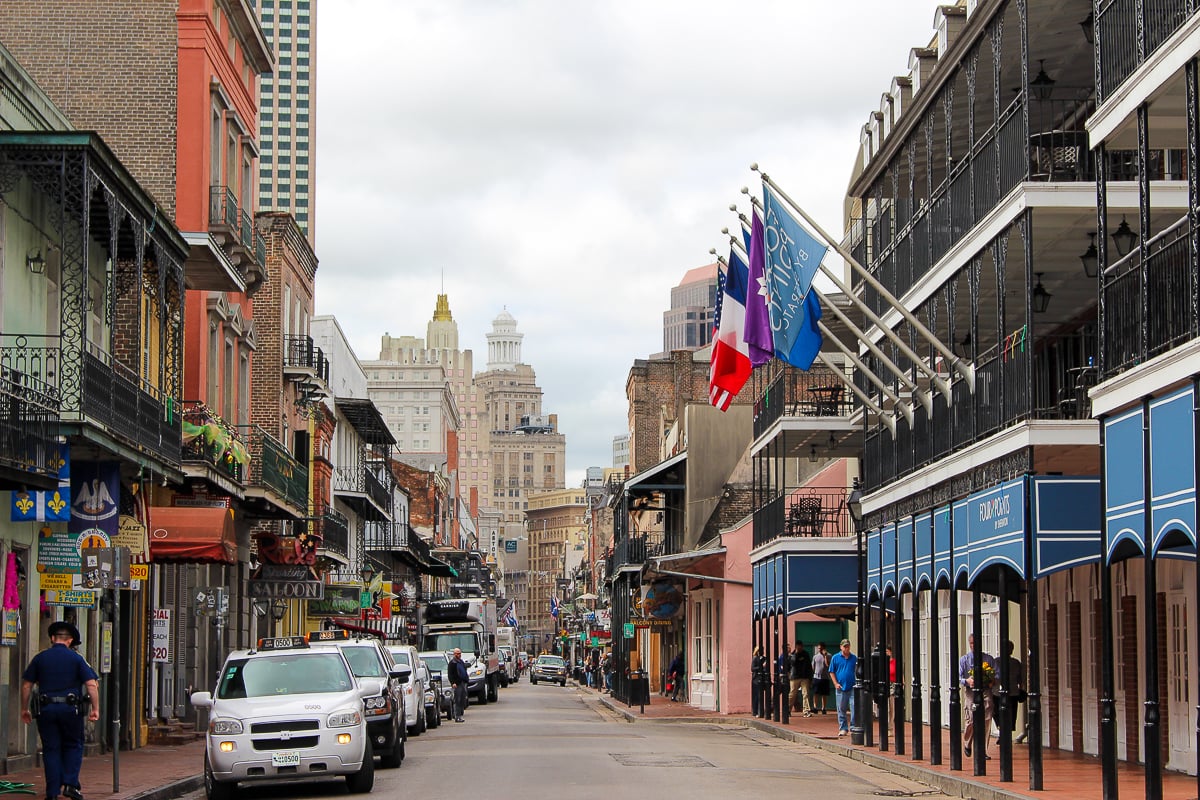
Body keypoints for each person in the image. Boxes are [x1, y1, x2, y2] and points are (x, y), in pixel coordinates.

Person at [20, 621, 100, 800]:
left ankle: (52, 792)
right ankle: (71, 785)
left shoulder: (40, 658)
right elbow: (91, 684)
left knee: (51, 749)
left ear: (52, 638)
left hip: (46, 709)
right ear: (70, 641)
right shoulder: (77, 658)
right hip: (71, 710)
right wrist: (96, 708)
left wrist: (24, 708)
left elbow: (26, 685)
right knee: (73, 745)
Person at [958, 633, 995, 758]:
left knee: (986, 719)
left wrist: (991, 681)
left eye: (976, 643)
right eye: (972, 643)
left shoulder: (988, 659)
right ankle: (967, 743)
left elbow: (997, 674)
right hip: (970, 691)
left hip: (985, 690)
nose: (974, 646)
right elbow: (958, 677)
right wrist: (967, 681)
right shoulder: (964, 660)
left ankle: (982, 750)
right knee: (971, 720)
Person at [996, 639, 1025, 737]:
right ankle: (1003, 731)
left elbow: (1020, 678)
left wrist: (1021, 688)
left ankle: (1004, 732)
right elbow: (1020, 679)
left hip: (1009, 693)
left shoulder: (1016, 663)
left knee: (1007, 715)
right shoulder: (997, 662)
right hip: (1001, 693)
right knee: (1005, 714)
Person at [829, 638, 858, 737]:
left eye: (848, 646)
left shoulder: (854, 658)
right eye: (844, 646)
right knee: (841, 708)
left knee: (854, 706)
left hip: (852, 686)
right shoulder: (835, 658)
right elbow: (831, 671)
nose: (846, 648)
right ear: (841, 647)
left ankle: (853, 726)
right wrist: (835, 683)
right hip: (841, 687)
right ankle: (843, 728)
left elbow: (857, 670)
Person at [789, 641, 813, 716]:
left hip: (804, 676)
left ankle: (806, 710)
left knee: (805, 693)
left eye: (801, 646)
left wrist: (810, 677)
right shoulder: (792, 654)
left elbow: (809, 666)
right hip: (795, 676)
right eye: (798, 646)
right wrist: (796, 654)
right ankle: (787, 709)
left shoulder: (806, 654)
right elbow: (792, 663)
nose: (799, 648)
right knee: (792, 694)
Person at [448, 648, 469, 723]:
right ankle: (457, 716)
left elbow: (464, 671)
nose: (458, 655)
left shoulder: (461, 662)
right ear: (454, 654)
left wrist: (466, 679)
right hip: (457, 684)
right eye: (457, 653)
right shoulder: (452, 663)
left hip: (463, 683)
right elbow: (450, 674)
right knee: (457, 700)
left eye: (459, 653)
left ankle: (460, 715)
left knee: (462, 700)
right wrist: (453, 682)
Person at [810, 642, 830, 715]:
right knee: (816, 693)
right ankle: (815, 707)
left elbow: (828, 665)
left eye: (821, 648)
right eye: (818, 648)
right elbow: (813, 666)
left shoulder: (829, 655)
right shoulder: (815, 656)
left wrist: (825, 656)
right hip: (816, 677)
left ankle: (823, 708)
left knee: (824, 694)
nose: (820, 650)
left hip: (825, 677)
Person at [750, 646, 768, 717]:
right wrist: (761, 666)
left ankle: (762, 710)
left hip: (763, 678)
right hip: (756, 679)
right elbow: (752, 668)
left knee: (762, 695)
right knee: (757, 696)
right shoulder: (755, 659)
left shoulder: (765, 658)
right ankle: (756, 711)